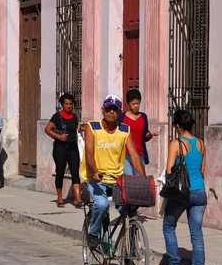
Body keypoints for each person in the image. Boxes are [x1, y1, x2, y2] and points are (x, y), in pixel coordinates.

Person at [82, 94, 145, 249]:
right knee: (102, 204)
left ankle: (129, 254)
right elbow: (89, 153)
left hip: (117, 179)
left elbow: (135, 155)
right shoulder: (92, 127)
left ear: (119, 112)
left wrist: (143, 178)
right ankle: (94, 233)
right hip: (96, 178)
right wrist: (95, 171)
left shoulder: (124, 130)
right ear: (103, 109)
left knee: (130, 212)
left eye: (115, 109)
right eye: (109, 108)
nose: (111, 112)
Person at [162, 109, 207, 265]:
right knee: (196, 233)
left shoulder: (176, 144)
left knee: (168, 225)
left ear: (178, 126)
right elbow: (202, 171)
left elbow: (169, 170)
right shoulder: (201, 144)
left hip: (183, 193)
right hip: (200, 192)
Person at [44, 93, 83, 208]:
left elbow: (74, 130)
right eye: (66, 104)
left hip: (72, 147)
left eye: (71, 104)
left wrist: (81, 129)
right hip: (60, 147)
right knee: (60, 172)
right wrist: (59, 136)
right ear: (62, 104)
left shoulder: (75, 117)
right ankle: (60, 198)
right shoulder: (57, 116)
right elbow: (47, 129)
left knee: (75, 172)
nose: (69, 106)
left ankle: (77, 198)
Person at [119, 89, 159, 175]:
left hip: (140, 155)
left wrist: (150, 134)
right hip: (125, 156)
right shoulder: (122, 117)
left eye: (138, 103)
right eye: (133, 104)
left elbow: (145, 136)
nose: (136, 106)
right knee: (129, 180)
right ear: (128, 103)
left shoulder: (143, 117)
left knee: (139, 181)